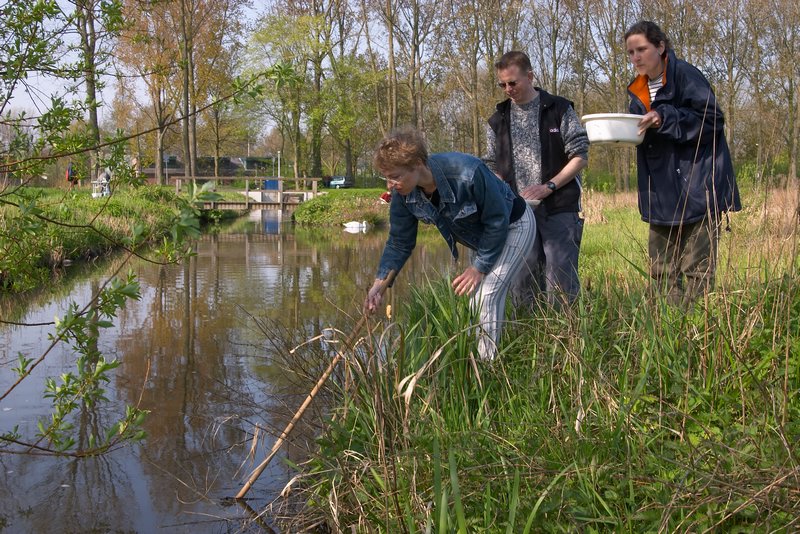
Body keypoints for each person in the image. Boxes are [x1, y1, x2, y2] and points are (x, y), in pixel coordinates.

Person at [364, 128, 535, 360]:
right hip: (485, 238)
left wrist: (479, 267)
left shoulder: (467, 171)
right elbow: (399, 243)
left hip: (515, 225)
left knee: (487, 295)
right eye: (387, 177)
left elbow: (497, 220)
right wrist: (378, 287)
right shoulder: (404, 194)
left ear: (417, 164)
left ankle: (487, 371)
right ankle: (498, 357)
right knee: (476, 300)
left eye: (395, 176)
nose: (389, 185)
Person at [624, 21, 741, 305]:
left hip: (697, 187)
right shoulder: (637, 91)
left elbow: (713, 120)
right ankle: (669, 331)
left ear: (661, 47)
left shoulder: (685, 75)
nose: (636, 57)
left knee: (697, 269)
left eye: (642, 49)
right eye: (630, 52)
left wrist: (664, 117)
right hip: (660, 194)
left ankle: (696, 331)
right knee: (661, 270)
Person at [485, 51, 589, 308]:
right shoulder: (497, 120)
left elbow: (580, 156)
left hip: (559, 208)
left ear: (529, 76)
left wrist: (548, 186)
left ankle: (568, 339)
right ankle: (530, 339)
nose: (508, 89)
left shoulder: (559, 109)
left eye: (513, 82)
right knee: (522, 284)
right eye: (502, 84)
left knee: (561, 283)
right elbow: (491, 166)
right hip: (518, 214)